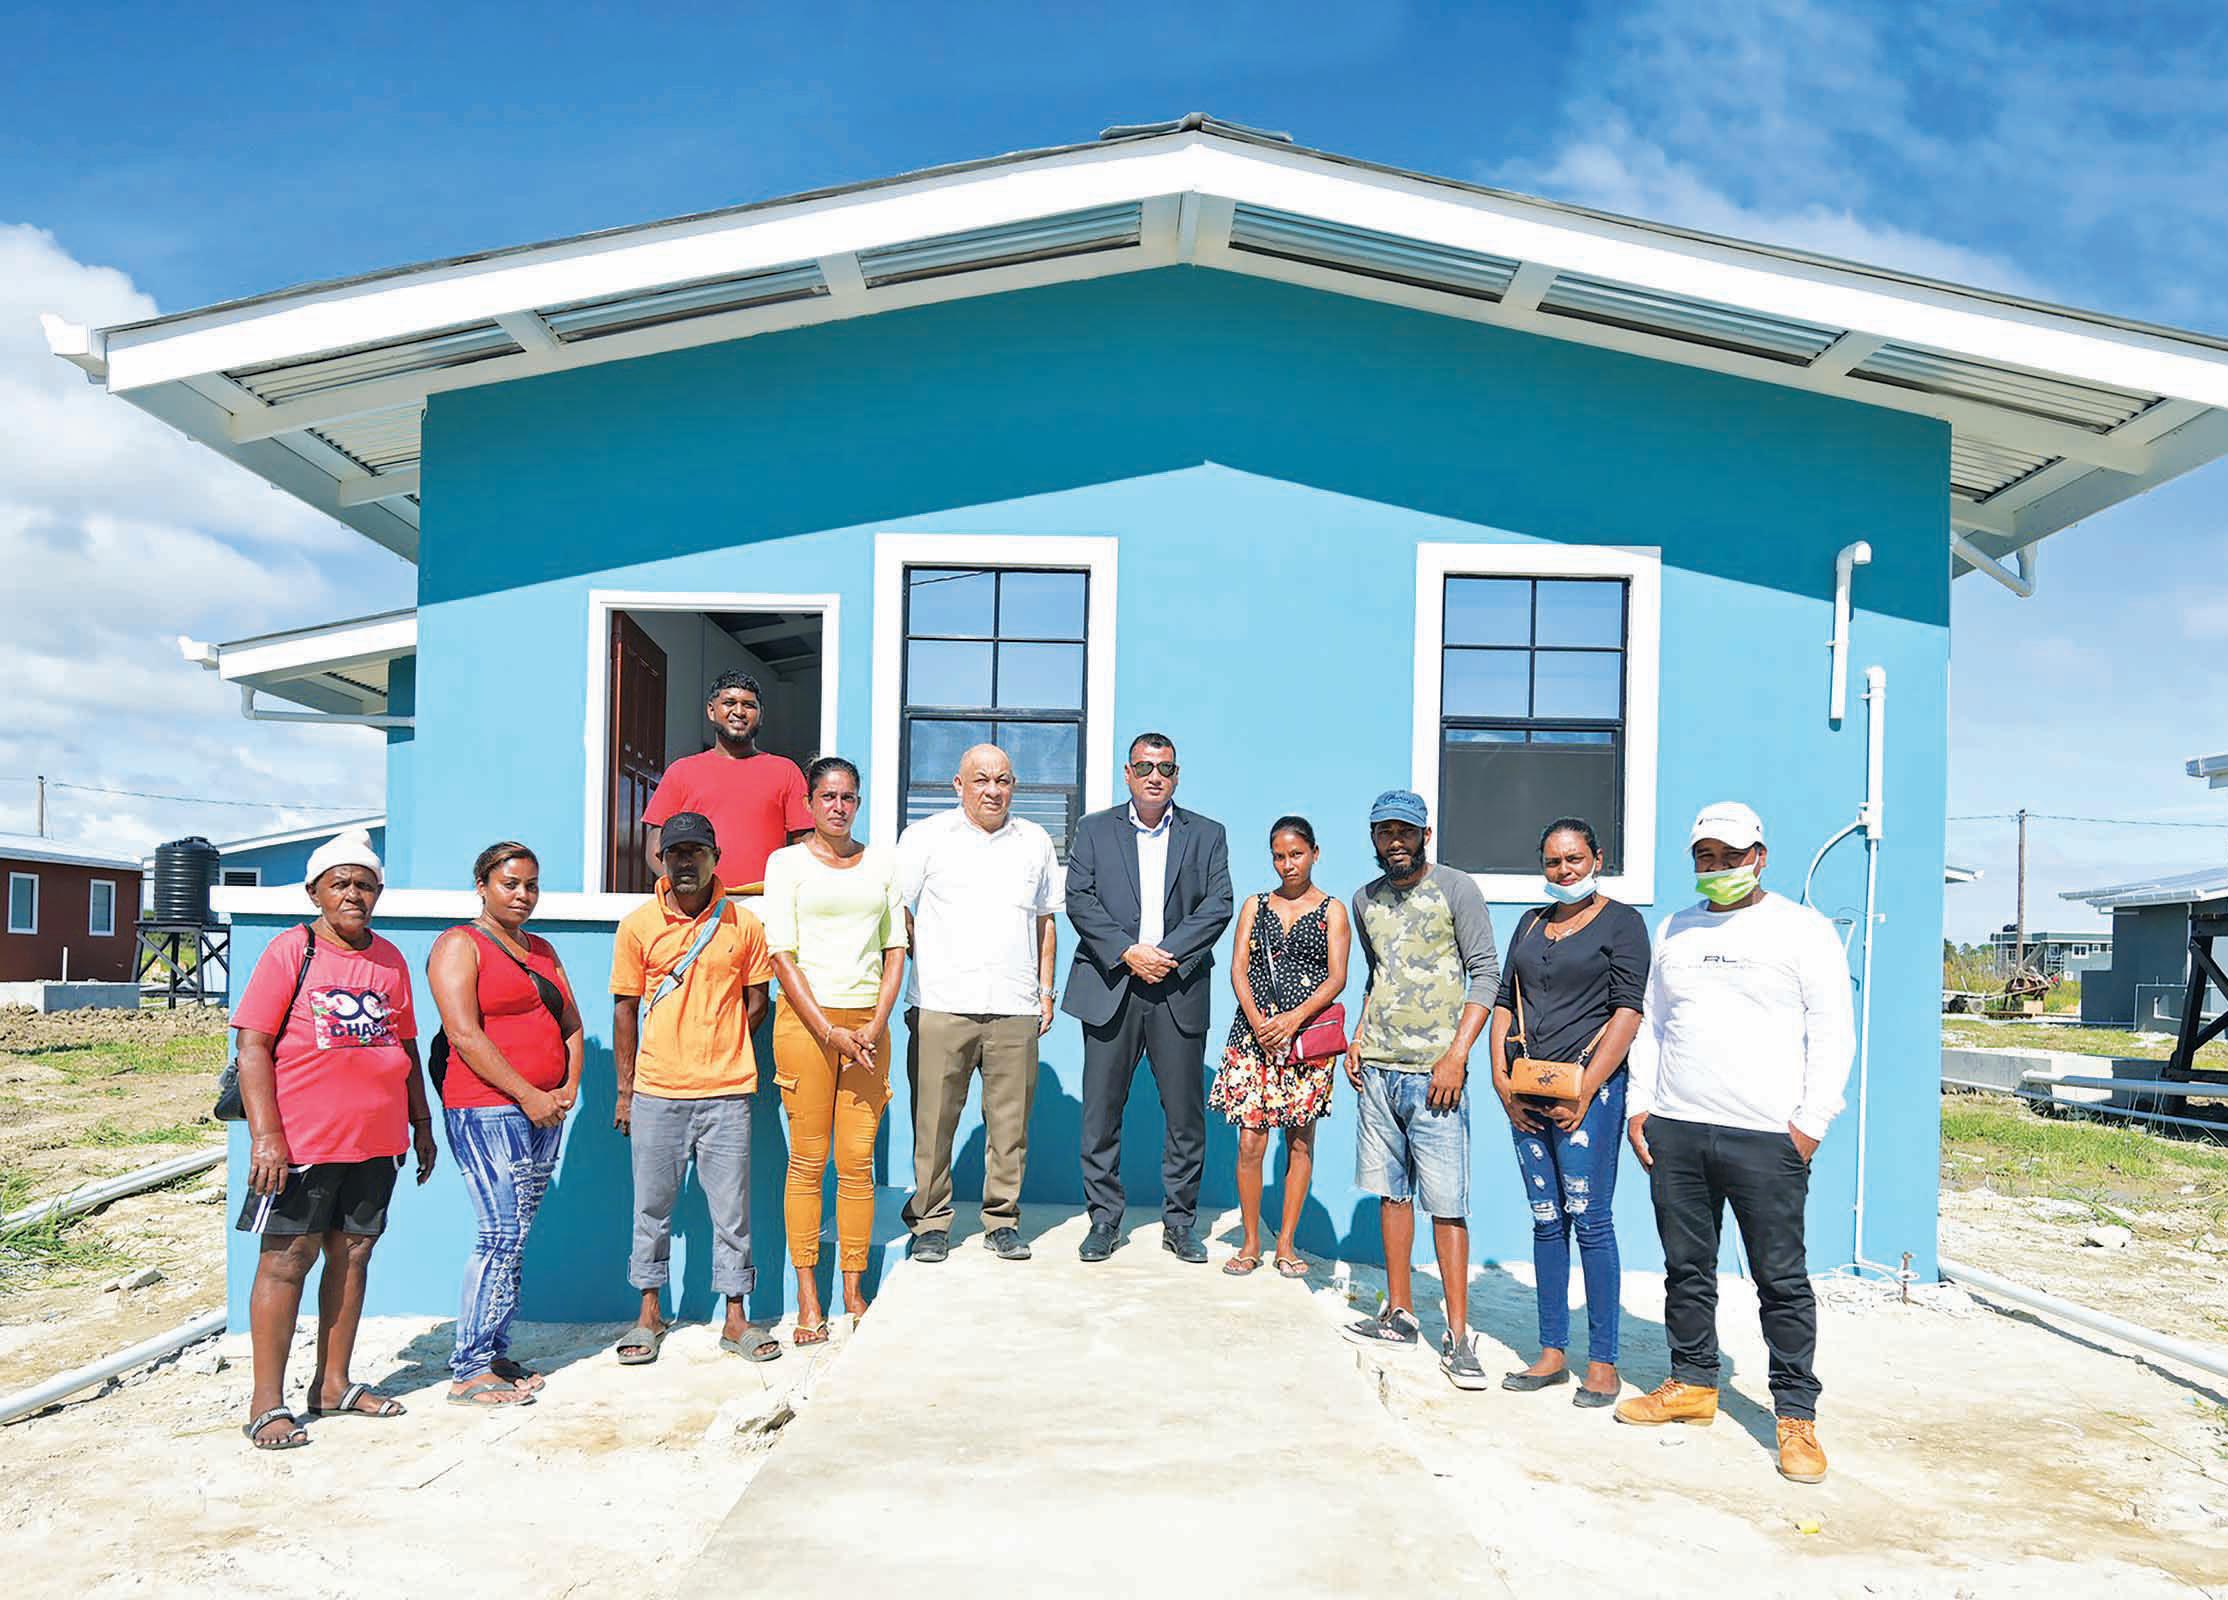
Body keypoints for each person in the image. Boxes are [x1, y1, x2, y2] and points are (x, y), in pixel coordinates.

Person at [1616, 801, 1854, 1487]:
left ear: (1759, 856)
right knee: (1687, 1269)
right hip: (1678, 1128)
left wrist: (1810, 1124)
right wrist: (1641, 1106)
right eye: (1706, 857)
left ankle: (1796, 1416)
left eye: (1731, 855)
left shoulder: (1803, 930)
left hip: (1768, 1137)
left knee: (1780, 1279)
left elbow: (1832, 1031)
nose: (1718, 867)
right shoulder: (1675, 929)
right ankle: (1692, 1383)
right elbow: (1653, 1024)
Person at [233, 830, 436, 1449]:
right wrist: (267, 1137)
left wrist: (421, 1123)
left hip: (376, 1141)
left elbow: (404, 1046)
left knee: (353, 1255)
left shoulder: (391, 959)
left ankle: (332, 1384)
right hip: (300, 1143)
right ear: (315, 892)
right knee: (286, 1259)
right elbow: (252, 1048)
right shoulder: (290, 951)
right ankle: (266, 1402)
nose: (354, 894)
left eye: (365, 885)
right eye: (340, 883)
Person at [1339, 790, 1500, 1393]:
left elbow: (1485, 972)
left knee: (1447, 1203)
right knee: (1392, 1194)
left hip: (1437, 1076)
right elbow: (1379, 975)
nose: (1395, 842)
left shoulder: (1458, 889)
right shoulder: (1365, 900)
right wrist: (1359, 1036)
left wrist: (1457, 1056)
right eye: (1385, 832)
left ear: (1425, 835)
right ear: (1374, 838)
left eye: (1405, 831)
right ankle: (1400, 1314)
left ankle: (1458, 1335)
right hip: (1378, 1070)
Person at [1486, 818, 1648, 1407]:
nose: (1564, 870)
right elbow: (1505, 1000)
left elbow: (1628, 1013)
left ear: (1596, 859)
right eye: (1553, 861)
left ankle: (1602, 1362)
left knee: (1591, 1219)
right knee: (1546, 1219)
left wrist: (1586, 1091)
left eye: (1574, 859)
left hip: (1590, 1097)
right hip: (1527, 1090)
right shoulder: (1531, 922)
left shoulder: (1623, 923)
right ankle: (1552, 1352)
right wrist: (1500, 1078)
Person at [610, 810, 779, 1364]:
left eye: (695, 853)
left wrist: (721, 1040)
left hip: (727, 1091)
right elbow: (625, 1010)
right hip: (657, 1091)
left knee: (732, 1213)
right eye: (675, 854)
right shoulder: (638, 926)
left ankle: (736, 1318)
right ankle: (648, 1314)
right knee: (650, 1208)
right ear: (662, 860)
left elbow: (758, 999)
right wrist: (625, 1091)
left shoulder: (744, 925)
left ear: (714, 859)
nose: (685, 863)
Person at [1063, 733, 1234, 1264]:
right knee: (1100, 1113)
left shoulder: (1207, 834)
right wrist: (1127, 951)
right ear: (1128, 773)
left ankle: (1180, 1224)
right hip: (1111, 984)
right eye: (1144, 767)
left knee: (1184, 1116)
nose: (1154, 776)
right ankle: (1103, 1220)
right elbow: (1079, 898)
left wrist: (1165, 954)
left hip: (1177, 986)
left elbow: (1218, 904)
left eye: (1164, 768)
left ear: (1176, 775)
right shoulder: (1094, 830)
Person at [426, 841, 585, 1408]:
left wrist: (567, 1087)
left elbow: (571, 1022)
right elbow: (464, 1034)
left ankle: (494, 1352)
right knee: (499, 1233)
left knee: (515, 1237)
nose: (523, 895)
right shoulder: (459, 944)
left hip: (546, 1110)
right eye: (510, 884)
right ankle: (468, 1370)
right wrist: (527, 1094)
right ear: (483, 886)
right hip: (486, 1109)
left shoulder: (541, 949)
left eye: (531, 885)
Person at [896, 743, 1062, 1264]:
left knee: (1010, 1128)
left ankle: (1002, 1221)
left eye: (1003, 780)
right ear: (958, 785)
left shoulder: (1035, 840)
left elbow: (1046, 921)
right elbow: (896, 908)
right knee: (933, 1123)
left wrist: (1045, 992)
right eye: (982, 780)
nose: (993, 790)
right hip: (941, 1004)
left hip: (1015, 1005)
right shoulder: (925, 837)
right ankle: (930, 1223)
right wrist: (923, 959)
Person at [760, 757, 907, 1342]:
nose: (839, 807)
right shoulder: (786, 864)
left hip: (867, 1027)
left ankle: (853, 1288)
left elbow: (895, 948)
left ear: (858, 803)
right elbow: (781, 955)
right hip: (807, 1025)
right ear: (810, 803)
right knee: (807, 1160)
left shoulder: (882, 864)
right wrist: (827, 1032)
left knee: (856, 1161)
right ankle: (808, 1297)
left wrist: (875, 1023)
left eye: (848, 798)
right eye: (828, 797)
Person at [1208, 815, 1349, 1278]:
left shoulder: (1332, 910)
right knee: (1250, 1141)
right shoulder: (1256, 905)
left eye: (1296, 854)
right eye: (1279, 856)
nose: (1288, 864)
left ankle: (1286, 1243)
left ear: (1314, 853)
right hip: (1254, 1037)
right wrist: (1260, 1023)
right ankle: (1251, 1241)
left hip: (1306, 1040)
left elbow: (1337, 978)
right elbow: (1238, 968)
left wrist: (1291, 1021)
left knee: (1300, 1141)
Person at [642, 670, 811, 890]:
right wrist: (687, 891)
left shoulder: (786, 771)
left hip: (764, 900)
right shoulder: (681, 771)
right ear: (711, 711)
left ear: (761, 714)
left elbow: (805, 846)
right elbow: (655, 846)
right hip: (701, 903)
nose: (739, 712)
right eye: (729, 703)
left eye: (749, 705)